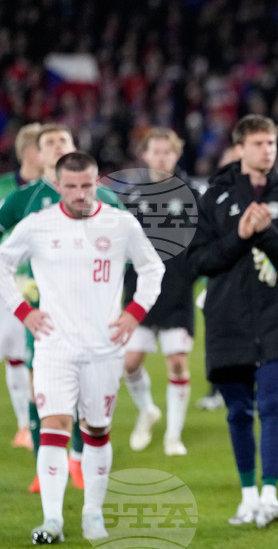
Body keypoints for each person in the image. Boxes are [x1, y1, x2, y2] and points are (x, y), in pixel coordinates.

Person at [0, 151, 164, 544]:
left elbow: (152, 268)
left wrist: (133, 313)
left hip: (103, 349)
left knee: (97, 431)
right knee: (55, 427)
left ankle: (93, 513)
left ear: (97, 183)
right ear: (58, 185)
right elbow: (2, 264)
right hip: (54, 347)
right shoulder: (37, 225)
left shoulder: (120, 223)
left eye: (86, 185)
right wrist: (24, 310)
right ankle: (52, 520)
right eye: (70, 186)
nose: (79, 193)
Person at [187, 114, 278, 528]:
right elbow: (197, 260)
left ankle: (270, 495)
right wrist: (239, 236)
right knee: (238, 411)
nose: (268, 150)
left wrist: (268, 234)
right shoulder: (213, 199)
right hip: (228, 320)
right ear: (240, 148)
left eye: (272, 143)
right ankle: (247, 497)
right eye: (259, 143)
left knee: (272, 403)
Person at [0, 123, 124, 494]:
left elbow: (128, 254)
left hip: (92, 315)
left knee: (89, 399)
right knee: (43, 391)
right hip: (43, 314)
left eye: (63, 141)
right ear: (37, 154)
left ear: (74, 147)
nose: (56, 147)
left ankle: (79, 460)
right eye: (48, 143)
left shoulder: (106, 199)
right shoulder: (24, 200)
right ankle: (45, 467)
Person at [122, 128, 198, 457]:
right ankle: (147, 410)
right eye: (157, 151)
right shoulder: (129, 197)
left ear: (177, 154)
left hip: (177, 293)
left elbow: (202, 244)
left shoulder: (193, 193)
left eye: (169, 151)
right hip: (138, 293)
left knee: (178, 363)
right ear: (146, 154)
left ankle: (173, 435)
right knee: (129, 363)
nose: (163, 156)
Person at [0, 123, 43, 449]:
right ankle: (26, 426)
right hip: (8, 283)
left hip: (44, 286)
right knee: (16, 355)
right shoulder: (4, 188)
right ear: (31, 151)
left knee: (27, 357)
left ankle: (31, 426)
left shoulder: (56, 190)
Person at [195, 144, 242, 413]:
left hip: (247, 282)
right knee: (217, 337)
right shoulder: (210, 198)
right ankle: (216, 389)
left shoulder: (256, 196)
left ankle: (245, 389)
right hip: (218, 282)